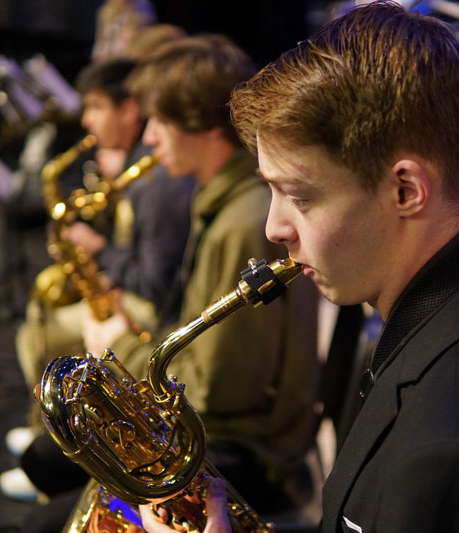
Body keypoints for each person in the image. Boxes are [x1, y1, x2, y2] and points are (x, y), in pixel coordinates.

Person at [140, 3, 459, 531]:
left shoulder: (448, 458)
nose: (273, 228)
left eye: (299, 196)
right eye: (270, 190)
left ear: (405, 190)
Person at [81, 34, 321, 515]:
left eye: (160, 121)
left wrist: (116, 348)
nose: (148, 137)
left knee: (51, 471)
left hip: (245, 451)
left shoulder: (244, 222)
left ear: (203, 125)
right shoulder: (223, 200)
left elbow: (216, 391)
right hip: (227, 426)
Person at [2, 57, 194, 501]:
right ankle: (49, 432)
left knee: (38, 335)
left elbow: (156, 280)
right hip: (132, 291)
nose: (85, 119)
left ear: (129, 110)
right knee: (42, 316)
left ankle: (60, 445)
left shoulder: (159, 181)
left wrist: (99, 252)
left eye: (95, 106)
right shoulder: (139, 169)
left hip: (145, 306)